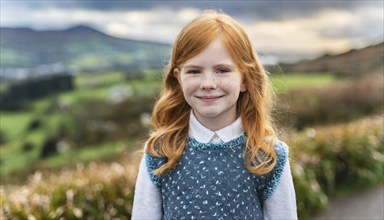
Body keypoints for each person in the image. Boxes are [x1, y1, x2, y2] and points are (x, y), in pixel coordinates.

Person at [132, 10, 297, 219]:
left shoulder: (268, 155)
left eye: (222, 70)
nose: (208, 84)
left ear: (245, 79)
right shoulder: (160, 152)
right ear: (178, 78)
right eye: (194, 71)